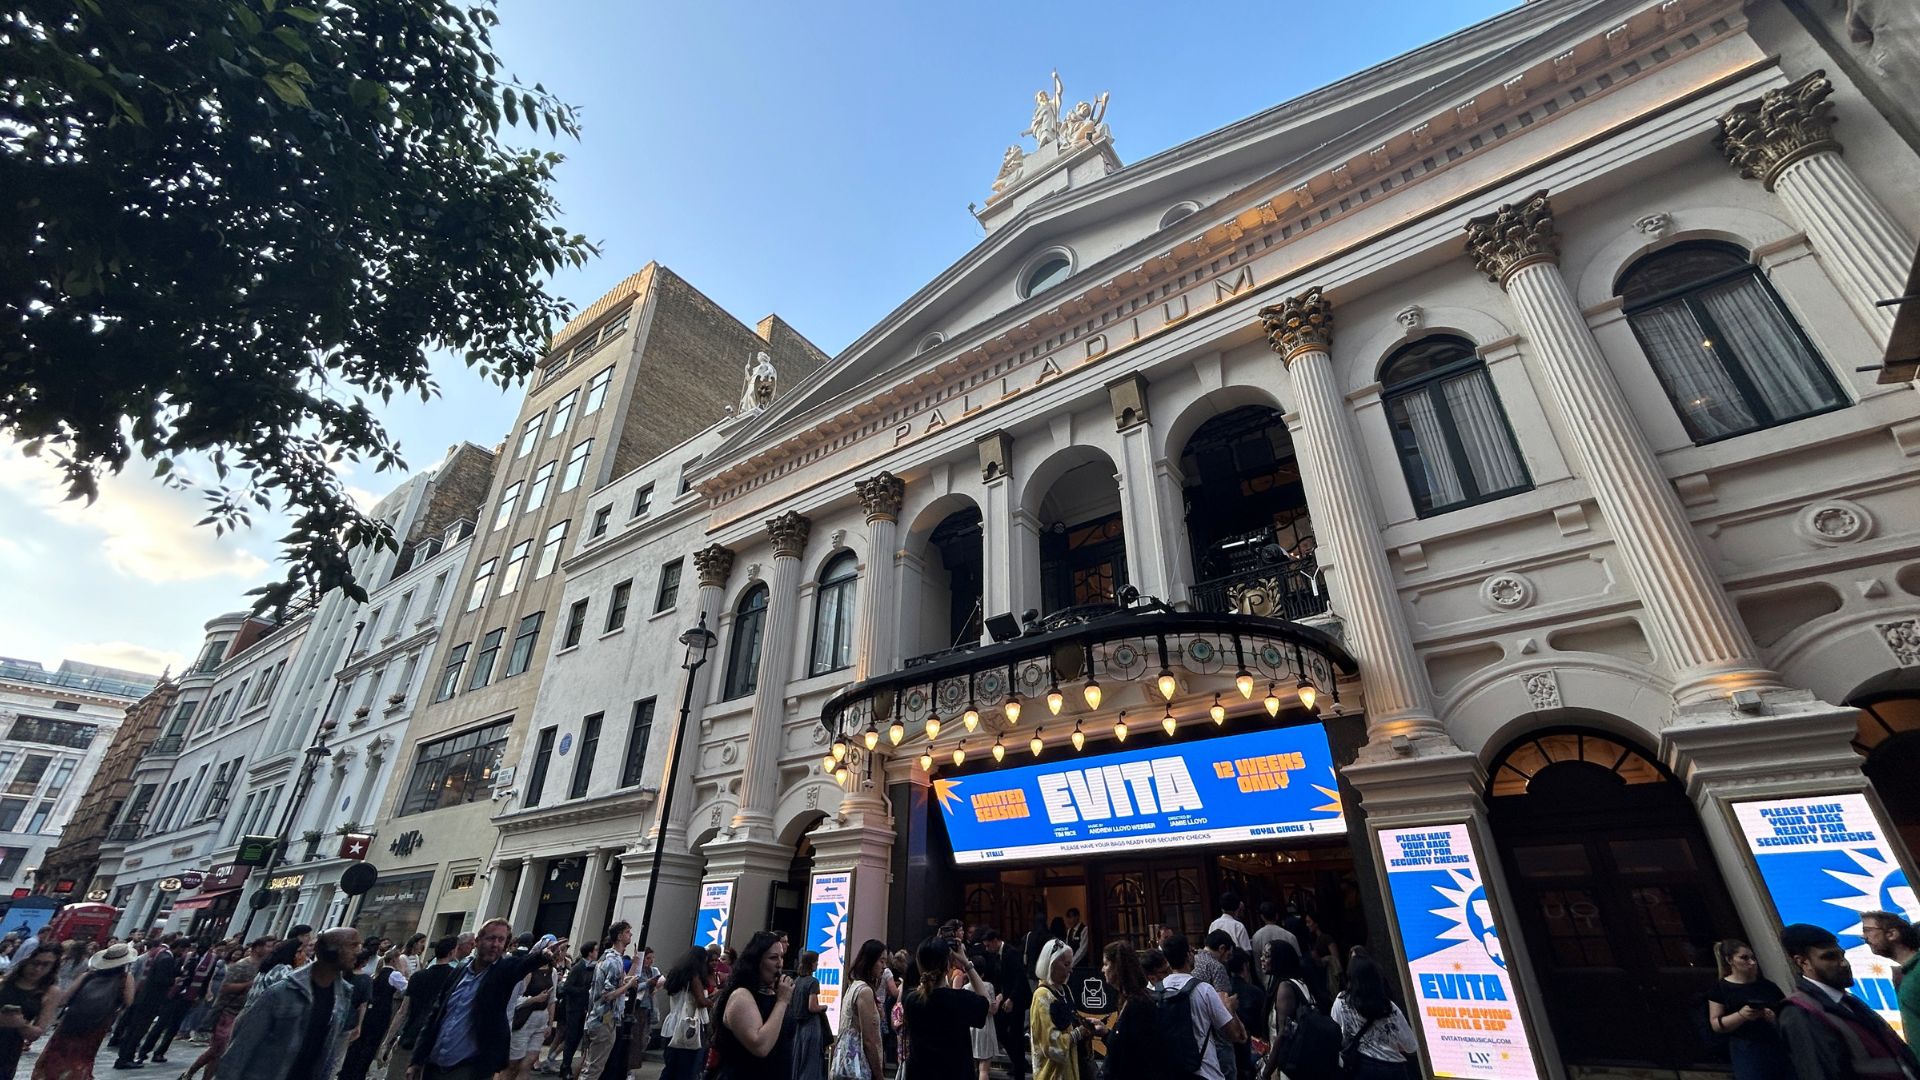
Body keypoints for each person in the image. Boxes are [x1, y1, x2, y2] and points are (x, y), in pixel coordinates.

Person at [411, 922, 566, 1080]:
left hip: (468, 1067)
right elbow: (436, 1015)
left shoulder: (502, 971)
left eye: (501, 940)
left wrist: (542, 955)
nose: (495, 944)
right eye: (491, 938)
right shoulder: (459, 971)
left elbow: (522, 965)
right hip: (433, 1064)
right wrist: (416, 1059)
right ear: (477, 942)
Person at [1775, 923, 1920, 1080]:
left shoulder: (1850, 1002)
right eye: (1829, 957)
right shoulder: (1799, 1012)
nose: (1844, 963)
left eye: (1842, 955)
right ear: (1803, 962)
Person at [214, 928, 360, 1080]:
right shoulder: (283, 991)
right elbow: (241, 1048)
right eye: (352, 945)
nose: (358, 951)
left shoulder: (343, 994)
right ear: (329, 949)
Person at [33, 942, 137, 1080]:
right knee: (82, 1057)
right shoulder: (125, 978)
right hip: (98, 1023)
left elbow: (65, 998)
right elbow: (129, 1001)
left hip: (71, 1019)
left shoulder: (88, 975)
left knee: (57, 1052)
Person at [182, 937, 270, 1080]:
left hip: (243, 1012)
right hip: (228, 1012)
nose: (271, 950)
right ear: (258, 947)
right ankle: (191, 1072)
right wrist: (248, 984)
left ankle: (198, 1075)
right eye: (269, 946)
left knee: (218, 1051)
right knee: (219, 1049)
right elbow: (226, 987)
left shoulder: (264, 966)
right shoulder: (241, 965)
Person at [902, 937, 988, 1080]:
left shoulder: (912, 1001)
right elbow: (985, 1001)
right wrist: (967, 963)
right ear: (948, 965)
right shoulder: (960, 1000)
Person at [713, 930, 795, 1080]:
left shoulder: (773, 994)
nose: (780, 964)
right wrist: (782, 1001)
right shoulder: (741, 996)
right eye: (773, 958)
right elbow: (760, 1046)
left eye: (781, 957)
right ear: (756, 961)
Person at [1706, 939, 1792, 1080]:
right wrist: (1741, 1015)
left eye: (1753, 958)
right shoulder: (1721, 989)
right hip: (1746, 1047)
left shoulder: (1768, 986)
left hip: (1775, 1043)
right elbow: (1716, 1024)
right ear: (1730, 960)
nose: (1752, 963)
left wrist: (1774, 1017)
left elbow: (1787, 1014)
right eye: (1744, 958)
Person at [1162, 935, 1245, 1080]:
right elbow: (1233, 1034)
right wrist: (1231, 1009)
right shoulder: (1204, 990)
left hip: (1171, 1071)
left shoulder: (1157, 991)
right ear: (1188, 955)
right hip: (1205, 1071)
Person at [382, 936, 459, 1080]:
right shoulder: (455, 977)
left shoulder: (418, 976)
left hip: (410, 1035)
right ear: (452, 952)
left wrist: (388, 1040)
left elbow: (403, 1011)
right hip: (435, 1041)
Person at [1329, 955, 1417, 1080]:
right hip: (1393, 1069)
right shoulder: (1389, 1007)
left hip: (1359, 1068)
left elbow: (1336, 1034)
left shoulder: (1341, 1001)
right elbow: (1411, 1046)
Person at [1087, 943, 1160, 1080]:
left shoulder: (1138, 1005)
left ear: (1118, 967)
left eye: (1106, 964)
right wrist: (1106, 1032)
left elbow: (1136, 1054)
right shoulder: (1127, 1000)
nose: (1103, 969)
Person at [575, 924, 639, 1080]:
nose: (630, 935)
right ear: (619, 936)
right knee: (594, 1068)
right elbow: (607, 995)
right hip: (603, 1020)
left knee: (593, 1065)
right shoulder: (613, 961)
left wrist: (630, 976)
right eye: (627, 932)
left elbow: (617, 983)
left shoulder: (610, 958)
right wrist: (629, 985)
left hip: (602, 1019)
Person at [338, 946, 407, 1080]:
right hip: (382, 1012)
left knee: (359, 1043)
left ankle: (347, 1072)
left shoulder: (377, 973)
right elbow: (407, 987)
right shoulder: (394, 975)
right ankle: (359, 1073)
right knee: (371, 1045)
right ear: (393, 960)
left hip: (371, 1012)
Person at [116, 936, 181, 1069]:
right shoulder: (166, 958)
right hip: (150, 1000)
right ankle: (126, 1057)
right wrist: (173, 981)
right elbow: (161, 980)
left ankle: (125, 1056)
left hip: (143, 997)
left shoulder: (157, 954)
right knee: (138, 1029)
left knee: (134, 1028)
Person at [1, 945, 61, 1079]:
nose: (38, 969)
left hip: (7, 1050)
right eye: (35, 963)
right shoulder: (5, 982)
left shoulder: (50, 992)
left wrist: (21, 1024)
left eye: (46, 965)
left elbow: (36, 1033)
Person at [830, 940, 886, 1080]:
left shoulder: (853, 986)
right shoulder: (864, 991)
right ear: (870, 961)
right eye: (881, 961)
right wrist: (879, 1075)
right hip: (858, 1066)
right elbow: (868, 1039)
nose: (884, 967)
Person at [1862, 911, 1920, 1044]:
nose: (1864, 938)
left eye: (1868, 931)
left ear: (1892, 934)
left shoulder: (1917, 972)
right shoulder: (1908, 974)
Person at [545, 939, 598, 1078]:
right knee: (571, 1038)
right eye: (596, 950)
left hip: (583, 1009)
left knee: (576, 1038)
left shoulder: (593, 968)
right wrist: (585, 991)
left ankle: (566, 1066)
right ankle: (565, 1067)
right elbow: (567, 987)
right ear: (590, 953)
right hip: (573, 1009)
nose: (597, 952)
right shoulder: (578, 968)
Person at [1029, 940, 1081, 1080]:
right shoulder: (1042, 996)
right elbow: (1050, 1044)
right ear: (1051, 965)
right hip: (1052, 1074)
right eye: (1066, 964)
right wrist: (1077, 1034)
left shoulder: (1065, 990)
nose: (1070, 970)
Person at [658, 947, 712, 1080]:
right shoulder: (694, 976)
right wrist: (713, 1001)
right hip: (689, 1026)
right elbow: (700, 1001)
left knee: (670, 1068)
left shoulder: (675, 974)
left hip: (672, 1023)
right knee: (687, 1069)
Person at [788, 950, 828, 1080]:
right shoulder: (813, 982)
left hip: (798, 1026)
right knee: (811, 1061)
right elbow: (812, 1006)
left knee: (798, 1060)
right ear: (811, 963)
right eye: (816, 962)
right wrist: (823, 1007)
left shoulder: (797, 981)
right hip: (811, 1025)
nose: (817, 964)